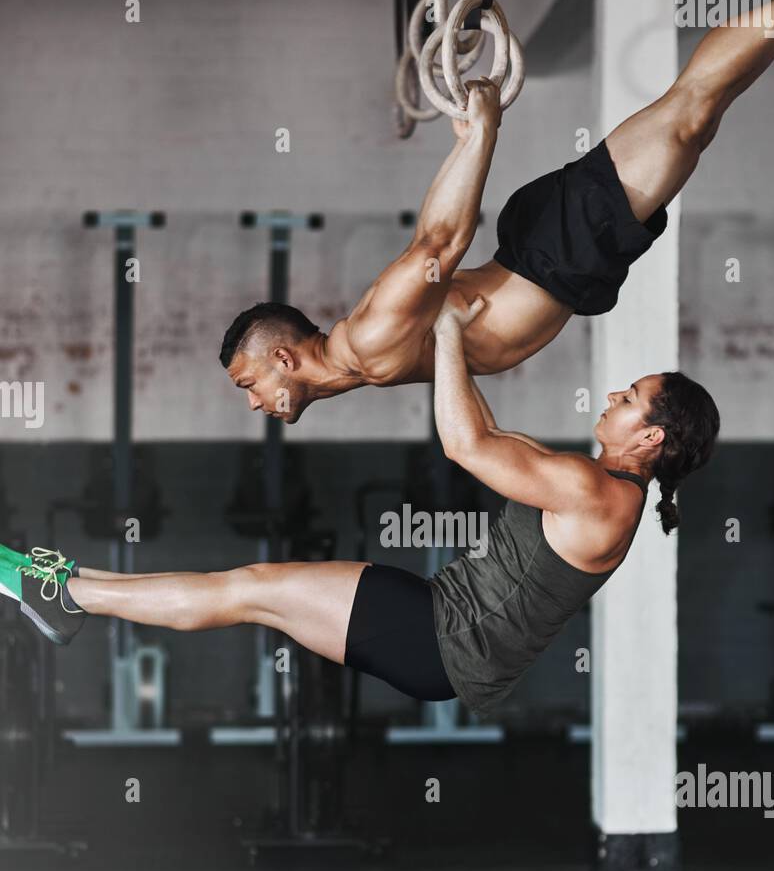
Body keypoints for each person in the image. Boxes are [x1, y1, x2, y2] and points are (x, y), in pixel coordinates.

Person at [220, 0, 774, 424]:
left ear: (282, 358)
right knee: (694, 116)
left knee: (689, 112)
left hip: (553, 251)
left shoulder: (366, 340)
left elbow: (437, 244)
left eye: (248, 385)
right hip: (561, 259)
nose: (253, 405)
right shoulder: (366, 367)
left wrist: (481, 137)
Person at [1, 296, 719, 715]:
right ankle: (69, 588)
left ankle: (67, 593)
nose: (612, 399)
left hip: (441, 642)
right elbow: (492, 434)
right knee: (247, 595)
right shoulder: (594, 481)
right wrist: (435, 354)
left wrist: (445, 334)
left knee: (247, 589)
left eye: (628, 400)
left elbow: (467, 446)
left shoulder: (598, 494)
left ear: (650, 436)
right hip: (439, 632)